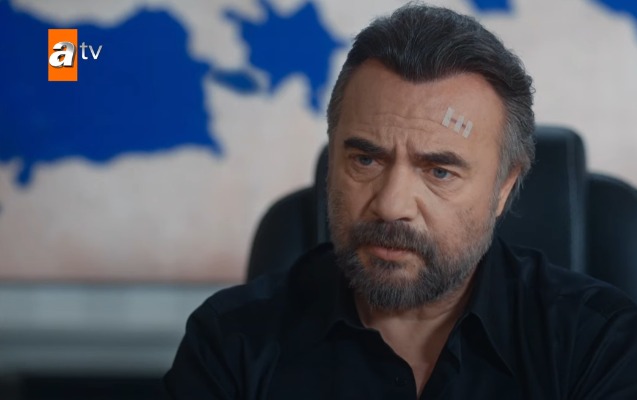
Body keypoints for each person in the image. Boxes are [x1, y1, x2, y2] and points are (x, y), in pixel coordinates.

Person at [164, 4, 637, 399]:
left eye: (439, 172)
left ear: (503, 188)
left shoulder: (597, 344)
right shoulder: (231, 342)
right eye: (366, 160)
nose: (391, 206)